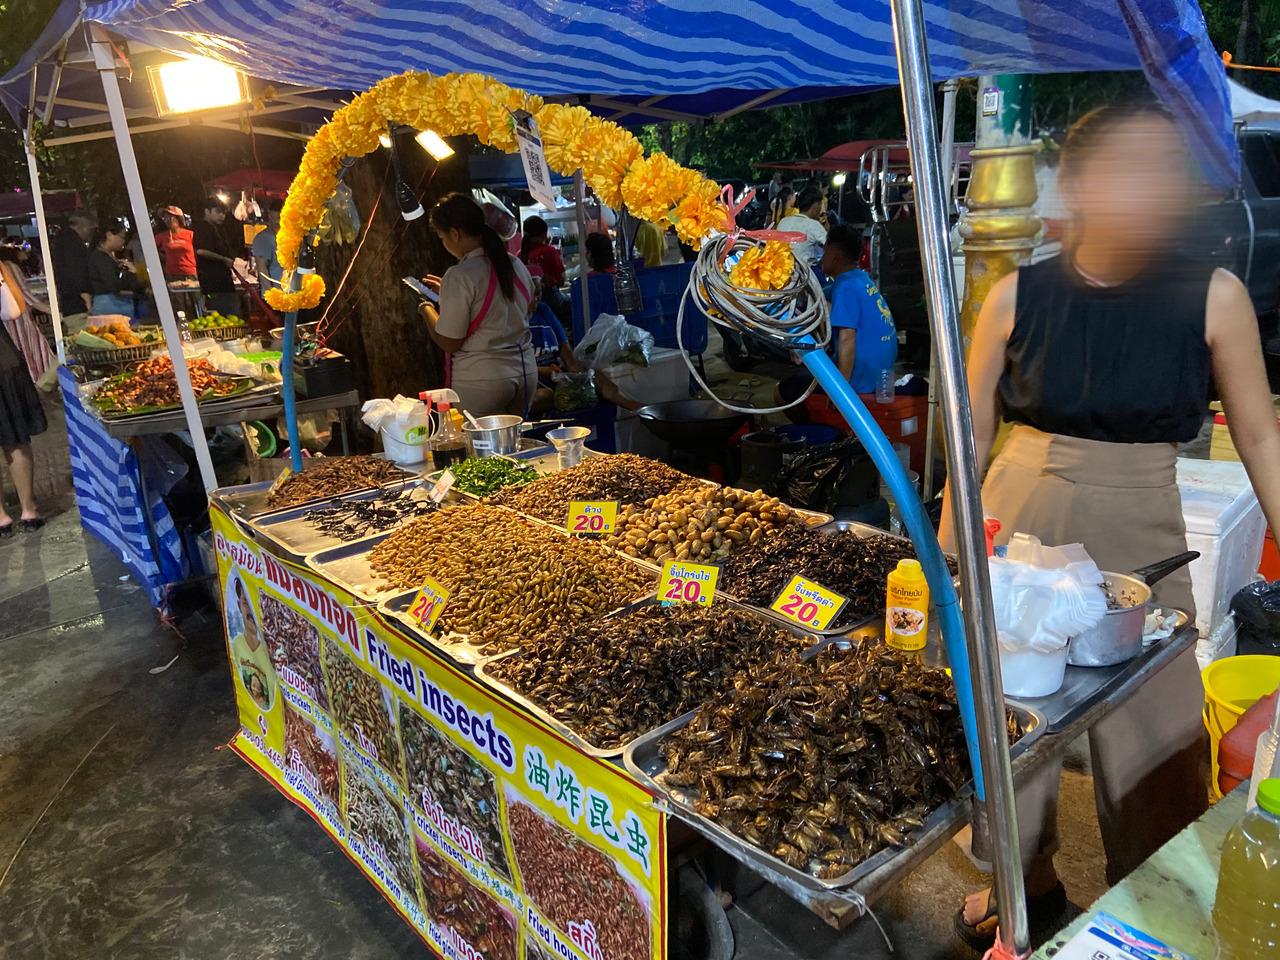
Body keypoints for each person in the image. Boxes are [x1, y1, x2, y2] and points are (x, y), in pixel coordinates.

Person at [940, 103, 1280, 950]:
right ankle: (1026, 887)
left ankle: (1155, 902)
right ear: (1078, 183)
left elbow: (1262, 435)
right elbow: (971, 432)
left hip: (1141, 527)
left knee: (1157, 730)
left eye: (1166, 170)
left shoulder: (1215, 295)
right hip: (1020, 524)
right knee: (1011, 718)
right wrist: (950, 549)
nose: (1150, 188)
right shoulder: (1016, 293)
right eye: (1128, 167)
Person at [421, 193, 537, 417]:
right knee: (515, 438)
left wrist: (426, 309)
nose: (444, 244)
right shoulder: (515, 264)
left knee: (476, 440)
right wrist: (447, 293)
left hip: (483, 380)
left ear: (455, 234)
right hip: (525, 372)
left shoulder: (460, 275)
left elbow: (449, 341)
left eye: (443, 238)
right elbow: (522, 307)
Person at [774, 225, 896, 412]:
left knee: (781, 392)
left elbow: (847, 338)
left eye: (825, 252)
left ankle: (821, 424)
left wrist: (841, 393)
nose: (821, 258)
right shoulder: (860, 279)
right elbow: (819, 297)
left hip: (860, 380)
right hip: (880, 374)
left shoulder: (845, 288)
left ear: (836, 256)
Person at [0, 270, 47, 533]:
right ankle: (28, 510)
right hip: (3, 361)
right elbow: (13, 310)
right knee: (15, 439)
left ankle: (0, 517)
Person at [0, 249, 57, 392]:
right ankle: (40, 385)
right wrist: (53, 311)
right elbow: (24, 296)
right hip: (18, 320)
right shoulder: (9, 267)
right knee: (34, 351)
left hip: (8, 325)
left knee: (23, 354)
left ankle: (34, 385)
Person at [227, 577, 275, 712]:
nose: (251, 610)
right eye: (245, 603)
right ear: (239, 606)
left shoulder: (272, 652)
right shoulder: (236, 645)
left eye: (253, 602)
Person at [192, 196, 240, 316]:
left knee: (232, 314)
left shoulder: (218, 228)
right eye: (218, 212)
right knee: (226, 315)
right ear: (207, 211)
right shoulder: (202, 228)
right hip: (213, 283)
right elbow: (201, 251)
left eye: (223, 213)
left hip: (223, 281)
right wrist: (224, 259)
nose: (222, 216)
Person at [87, 220, 142, 317]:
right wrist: (131, 273)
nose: (123, 241)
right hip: (111, 307)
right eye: (122, 237)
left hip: (108, 305)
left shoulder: (103, 257)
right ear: (109, 235)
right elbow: (113, 285)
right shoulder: (101, 258)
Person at [50, 211, 94, 328]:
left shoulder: (60, 240)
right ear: (82, 226)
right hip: (77, 302)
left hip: (68, 300)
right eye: (89, 228)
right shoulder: (73, 243)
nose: (90, 232)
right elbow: (77, 270)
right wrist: (85, 295)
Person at [777, 185, 829, 268]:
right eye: (821, 204)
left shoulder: (783, 221)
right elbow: (831, 247)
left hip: (781, 270)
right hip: (803, 272)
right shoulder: (813, 225)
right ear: (816, 205)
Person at [519, 216, 565, 288]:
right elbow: (561, 281)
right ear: (544, 234)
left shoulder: (519, 255)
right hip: (549, 294)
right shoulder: (550, 251)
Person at [153, 205, 196, 281]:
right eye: (165, 218)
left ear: (178, 219)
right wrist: (162, 257)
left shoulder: (190, 234)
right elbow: (149, 249)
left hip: (191, 274)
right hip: (172, 275)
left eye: (170, 217)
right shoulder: (162, 236)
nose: (167, 220)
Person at [252, 199, 284, 295]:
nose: (278, 221)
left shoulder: (290, 237)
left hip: (291, 293)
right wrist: (272, 293)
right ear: (269, 215)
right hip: (276, 294)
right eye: (277, 218)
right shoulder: (263, 238)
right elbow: (262, 268)